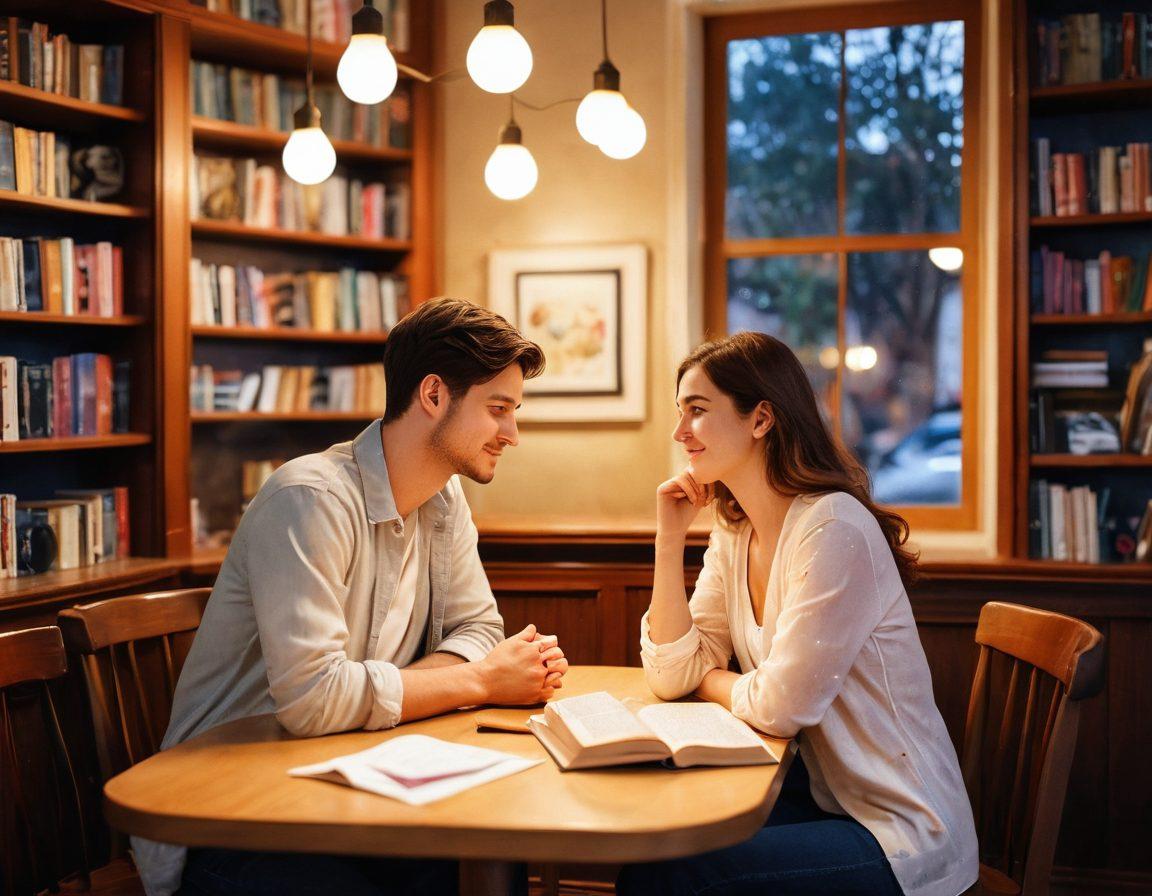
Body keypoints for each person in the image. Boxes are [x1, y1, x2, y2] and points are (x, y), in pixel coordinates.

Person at [134, 298, 569, 896]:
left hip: (347, 786)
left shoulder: (444, 501)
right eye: (498, 410)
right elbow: (314, 701)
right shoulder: (308, 499)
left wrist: (388, 690)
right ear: (433, 395)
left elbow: (478, 630)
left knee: (494, 849)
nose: (512, 434)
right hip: (234, 814)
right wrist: (479, 681)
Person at [619, 332, 977, 896]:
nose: (679, 431)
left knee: (671, 872)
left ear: (761, 419)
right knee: (653, 843)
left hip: (900, 830)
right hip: (825, 798)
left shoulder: (833, 528)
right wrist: (669, 541)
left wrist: (706, 678)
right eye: (680, 411)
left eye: (697, 410)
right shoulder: (735, 531)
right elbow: (669, 675)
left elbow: (781, 708)